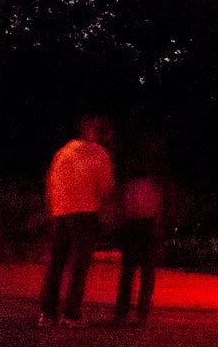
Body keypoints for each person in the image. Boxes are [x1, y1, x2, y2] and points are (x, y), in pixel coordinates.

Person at [40, 117, 115, 327]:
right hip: (84, 213)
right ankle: (71, 314)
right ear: (94, 132)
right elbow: (106, 188)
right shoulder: (99, 154)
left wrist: (54, 206)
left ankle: (47, 313)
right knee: (78, 265)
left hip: (60, 211)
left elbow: (50, 183)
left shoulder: (63, 153)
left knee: (55, 263)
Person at [114, 135, 167, 326]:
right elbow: (158, 202)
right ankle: (133, 313)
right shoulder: (146, 177)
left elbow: (157, 202)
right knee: (139, 272)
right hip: (139, 224)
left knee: (135, 272)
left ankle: (131, 313)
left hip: (141, 224)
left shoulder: (141, 177)